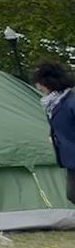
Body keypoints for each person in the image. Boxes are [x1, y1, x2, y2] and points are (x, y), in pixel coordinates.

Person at [32, 61, 75, 203]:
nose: (37, 87)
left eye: (38, 83)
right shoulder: (53, 104)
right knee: (72, 194)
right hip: (70, 157)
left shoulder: (70, 102)